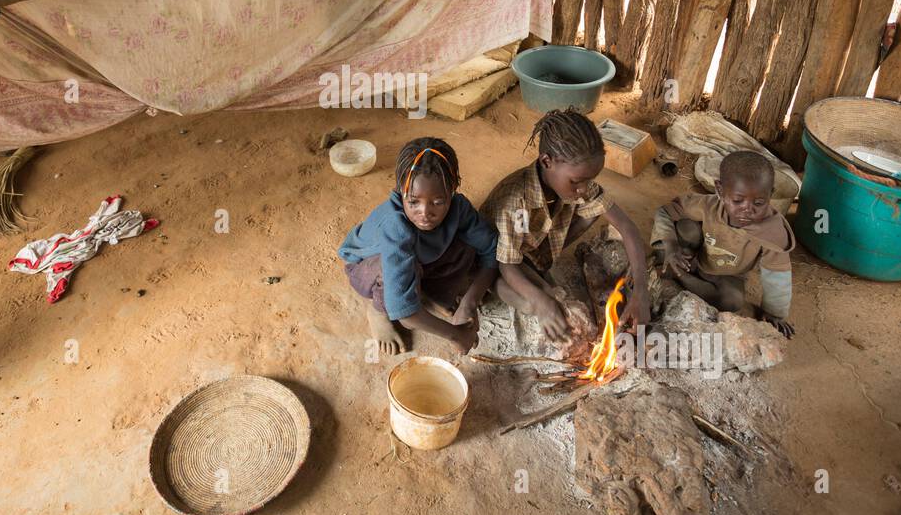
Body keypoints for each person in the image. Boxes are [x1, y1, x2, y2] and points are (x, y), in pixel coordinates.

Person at [479, 108, 650, 342]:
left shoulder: (579, 183)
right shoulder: (516, 202)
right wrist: (541, 303)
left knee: (592, 211)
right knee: (534, 303)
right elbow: (507, 264)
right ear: (547, 161)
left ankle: (541, 279)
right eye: (577, 181)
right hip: (498, 259)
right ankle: (508, 290)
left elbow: (627, 227)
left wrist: (641, 290)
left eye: (589, 180)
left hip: (533, 247)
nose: (584, 188)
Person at [339, 137, 498, 356]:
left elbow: (490, 250)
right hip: (368, 267)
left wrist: (470, 302)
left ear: (452, 191)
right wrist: (456, 334)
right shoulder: (395, 226)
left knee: (466, 248)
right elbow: (404, 313)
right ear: (400, 190)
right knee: (397, 273)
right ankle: (377, 311)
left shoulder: (459, 208)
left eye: (438, 201)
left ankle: (431, 293)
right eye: (413, 202)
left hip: (419, 257)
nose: (425, 212)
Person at [652, 150, 795, 338]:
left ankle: (678, 276)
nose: (747, 209)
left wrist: (775, 314)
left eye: (759, 203)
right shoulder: (709, 206)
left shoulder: (773, 234)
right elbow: (665, 212)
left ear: (771, 195)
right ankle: (672, 264)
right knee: (687, 227)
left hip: (729, 274)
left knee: (732, 301)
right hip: (695, 256)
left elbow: (778, 279)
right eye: (737, 200)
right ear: (720, 190)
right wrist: (671, 245)